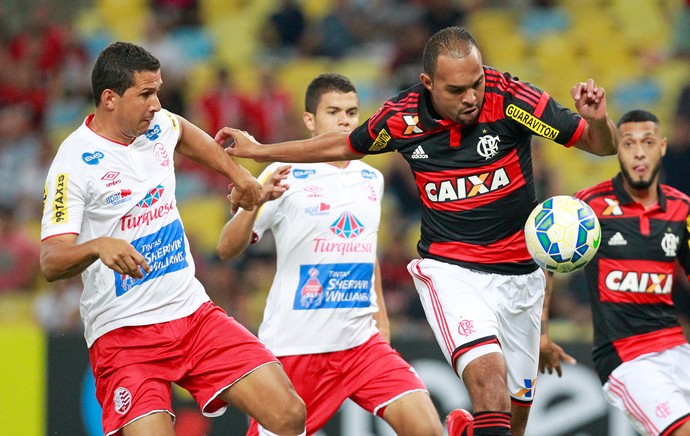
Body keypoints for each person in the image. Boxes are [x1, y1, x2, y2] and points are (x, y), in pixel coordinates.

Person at [215, 26, 618, 436]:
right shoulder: (402, 118)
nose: (471, 97)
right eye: (457, 89)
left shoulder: (512, 100)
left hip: (520, 276)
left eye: (477, 83)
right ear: (428, 83)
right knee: (489, 382)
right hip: (452, 271)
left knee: (513, 418)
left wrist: (599, 122)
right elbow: (342, 145)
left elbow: (601, 145)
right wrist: (259, 150)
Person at [39, 41, 306, 436]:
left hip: (191, 314)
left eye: (158, 90)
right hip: (124, 334)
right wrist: (98, 246)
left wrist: (238, 176)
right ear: (110, 99)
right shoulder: (72, 164)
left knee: (289, 414)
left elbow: (183, 133)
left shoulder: (157, 124)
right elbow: (50, 261)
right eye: (146, 93)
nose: (156, 103)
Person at [217, 73, 443, 435]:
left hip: (360, 343)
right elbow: (227, 249)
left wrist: (381, 323)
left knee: (427, 428)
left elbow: (367, 254)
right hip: (296, 347)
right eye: (333, 111)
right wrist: (253, 203)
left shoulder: (372, 178)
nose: (345, 121)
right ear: (310, 120)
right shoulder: (282, 172)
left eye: (352, 112)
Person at [544, 110, 690, 436]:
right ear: (617, 150)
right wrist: (541, 335)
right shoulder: (589, 206)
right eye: (628, 143)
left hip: (677, 348)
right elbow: (545, 263)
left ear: (662, 147)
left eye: (648, 142)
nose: (639, 152)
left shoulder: (682, 209)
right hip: (627, 359)